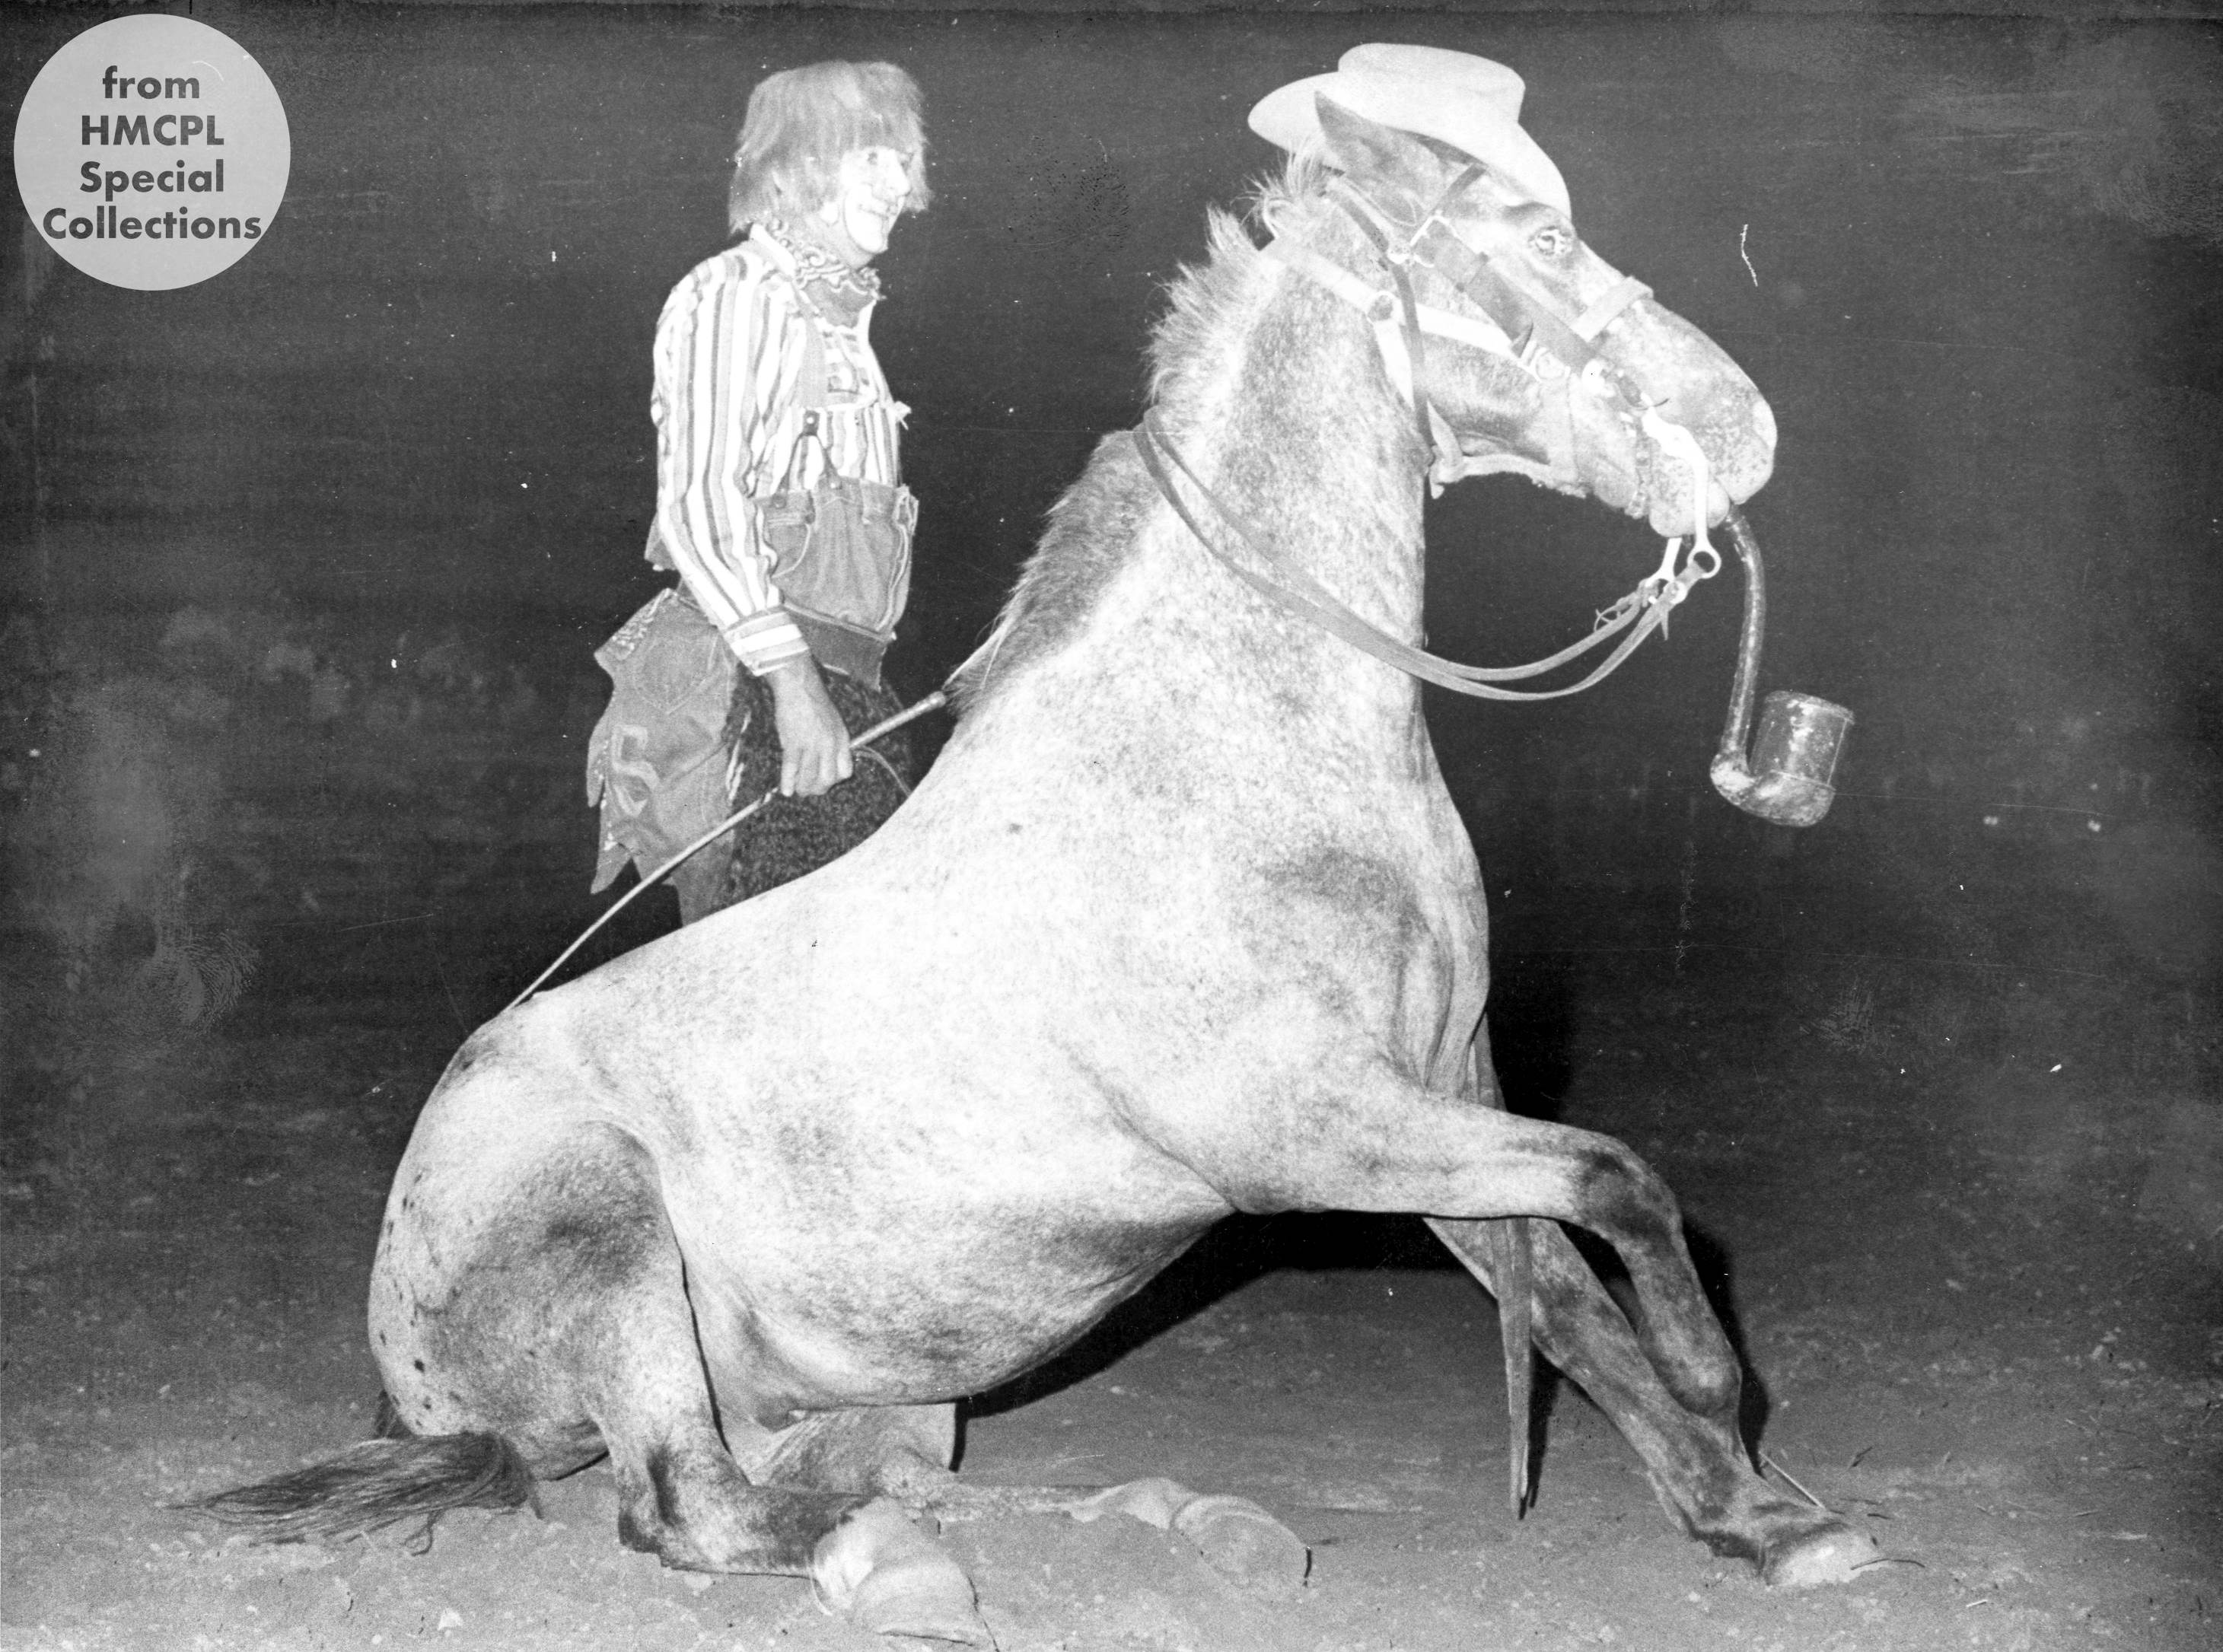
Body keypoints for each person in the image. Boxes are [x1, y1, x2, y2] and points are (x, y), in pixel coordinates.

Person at [586, 61, 931, 923]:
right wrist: (793, 689)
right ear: (796, 163)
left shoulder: (842, 322)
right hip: (745, 695)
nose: (897, 185)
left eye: (902, 162)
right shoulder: (735, 295)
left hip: (834, 684)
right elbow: (701, 508)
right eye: (870, 158)